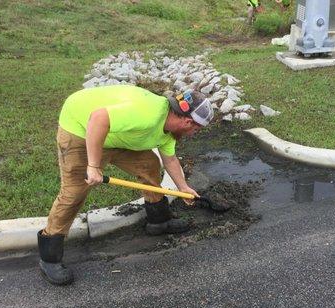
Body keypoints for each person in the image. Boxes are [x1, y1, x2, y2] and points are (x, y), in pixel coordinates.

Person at [37, 85, 214, 285]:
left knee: (149, 165)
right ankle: (49, 256)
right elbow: (98, 119)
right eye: (196, 129)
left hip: (115, 134)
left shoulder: (167, 131)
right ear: (187, 121)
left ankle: (159, 221)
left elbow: (170, 159)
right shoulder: (147, 114)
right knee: (74, 192)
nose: (194, 134)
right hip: (82, 127)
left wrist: (183, 187)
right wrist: (93, 166)